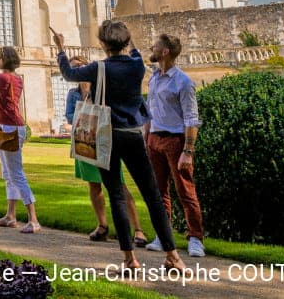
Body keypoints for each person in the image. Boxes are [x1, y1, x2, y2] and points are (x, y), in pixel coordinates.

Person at [54, 21, 185, 273]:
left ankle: (129, 258)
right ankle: (173, 255)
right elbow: (135, 51)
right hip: (132, 134)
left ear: (103, 44)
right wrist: (129, 36)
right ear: (125, 42)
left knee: (115, 195)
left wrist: (60, 48)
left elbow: (69, 73)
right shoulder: (137, 65)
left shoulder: (99, 68)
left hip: (105, 135)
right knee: (152, 196)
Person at [64, 57, 149, 246]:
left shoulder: (104, 87)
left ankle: (138, 230)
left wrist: (89, 94)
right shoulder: (73, 94)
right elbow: (70, 116)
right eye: (74, 67)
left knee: (119, 185)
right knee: (94, 185)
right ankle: (102, 226)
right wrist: (84, 98)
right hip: (85, 141)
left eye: (80, 66)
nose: (78, 70)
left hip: (105, 141)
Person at [145, 33, 206, 258]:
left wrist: (188, 151)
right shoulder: (153, 78)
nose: (151, 47)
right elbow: (150, 111)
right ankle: (163, 236)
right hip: (155, 139)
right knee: (159, 193)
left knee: (185, 192)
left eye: (156, 45)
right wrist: (147, 139)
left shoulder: (183, 82)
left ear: (164, 52)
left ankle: (196, 239)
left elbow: (191, 119)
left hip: (175, 141)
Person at [0, 46, 40, 233]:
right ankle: (10, 216)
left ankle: (33, 219)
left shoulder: (3, 78)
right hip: (10, 126)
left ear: (4, 59)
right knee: (8, 173)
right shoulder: (14, 78)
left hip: (9, 127)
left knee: (16, 173)